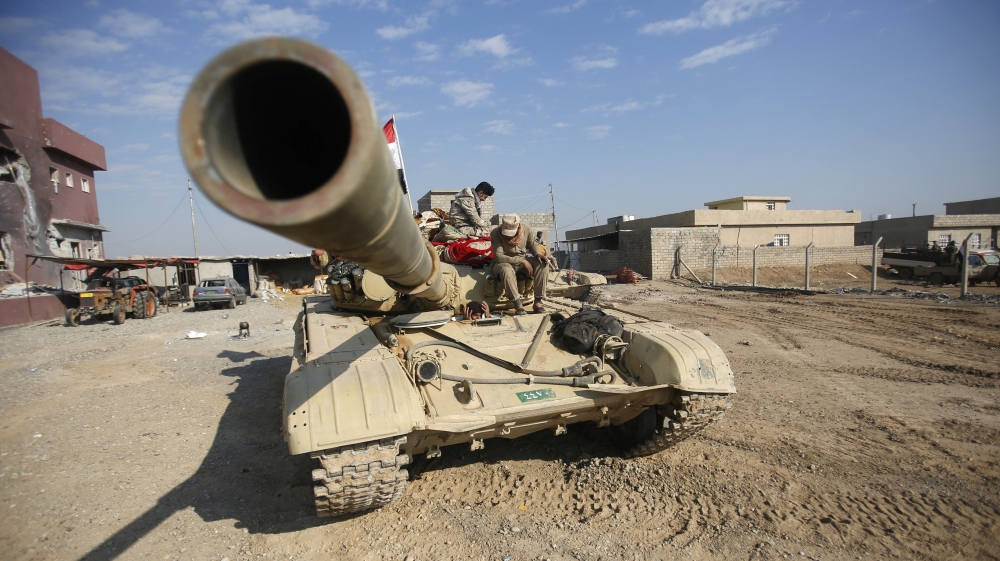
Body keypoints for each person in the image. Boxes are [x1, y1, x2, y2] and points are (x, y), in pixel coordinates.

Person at [491, 214, 556, 315]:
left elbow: (532, 244)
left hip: (522, 261)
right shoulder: (496, 233)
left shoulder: (526, 230)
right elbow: (499, 257)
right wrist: (521, 260)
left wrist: (538, 254)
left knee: (542, 264)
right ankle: (518, 304)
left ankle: (538, 302)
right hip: (502, 263)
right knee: (506, 269)